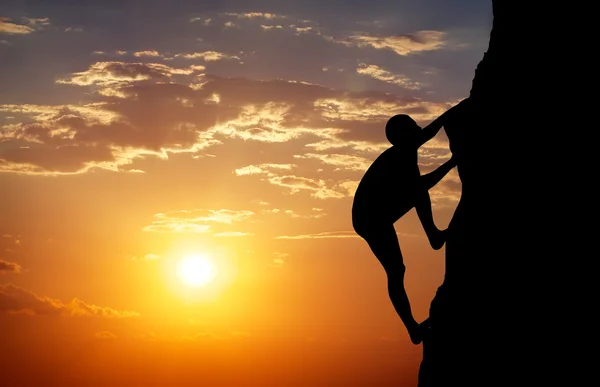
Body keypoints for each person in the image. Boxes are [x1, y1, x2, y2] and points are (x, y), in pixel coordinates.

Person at [352, 107, 459, 344]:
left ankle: (433, 235)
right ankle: (412, 328)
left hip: (378, 211)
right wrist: (451, 163)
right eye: (413, 126)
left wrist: (452, 113)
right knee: (396, 270)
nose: (419, 128)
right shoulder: (400, 154)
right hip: (369, 218)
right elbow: (422, 185)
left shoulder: (405, 150)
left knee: (417, 189)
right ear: (403, 135)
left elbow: (429, 132)